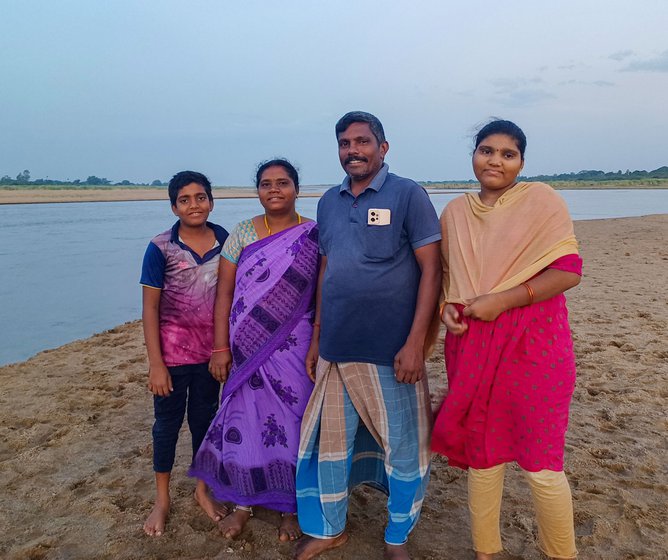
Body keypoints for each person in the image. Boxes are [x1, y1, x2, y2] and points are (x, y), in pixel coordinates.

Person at [431, 119, 582, 560]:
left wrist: (504, 300)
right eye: (486, 150)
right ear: (474, 155)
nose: (495, 160)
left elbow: (568, 271)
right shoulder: (456, 212)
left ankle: (562, 555)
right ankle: (487, 552)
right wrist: (446, 308)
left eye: (507, 153)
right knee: (483, 455)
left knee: (542, 466)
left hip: (535, 346)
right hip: (472, 344)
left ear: (521, 162)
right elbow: (450, 280)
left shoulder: (541, 201)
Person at [295, 112, 442, 560]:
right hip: (337, 349)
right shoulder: (329, 202)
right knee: (330, 446)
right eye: (344, 143)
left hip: (390, 351)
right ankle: (330, 529)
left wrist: (416, 343)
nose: (352, 150)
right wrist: (318, 336)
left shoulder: (408, 195)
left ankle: (397, 536)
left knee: (403, 447)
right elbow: (326, 269)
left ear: (383, 147)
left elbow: (432, 270)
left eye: (362, 141)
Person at [189, 159, 319, 542]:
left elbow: (320, 293)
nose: (274, 190)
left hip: (294, 348)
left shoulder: (313, 234)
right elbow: (225, 294)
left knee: (295, 421)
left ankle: (290, 509)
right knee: (245, 420)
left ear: (297, 188)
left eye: (282, 183)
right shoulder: (243, 233)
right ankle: (244, 504)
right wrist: (219, 348)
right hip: (245, 345)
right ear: (258, 190)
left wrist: (316, 341)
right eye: (266, 184)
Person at [140, 170, 229, 536]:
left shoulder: (226, 239)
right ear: (173, 205)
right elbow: (149, 309)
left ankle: (202, 490)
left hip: (211, 356)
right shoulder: (160, 247)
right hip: (172, 359)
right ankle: (162, 499)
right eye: (185, 199)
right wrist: (156, 364)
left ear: (211, 199)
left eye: (200, 197)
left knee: (204, 425)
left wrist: (224, 349)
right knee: (166, 428)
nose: (194, 205)